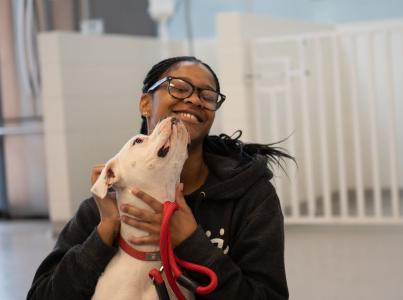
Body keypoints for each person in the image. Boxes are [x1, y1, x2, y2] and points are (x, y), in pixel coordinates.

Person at [28, 56, 292, 300]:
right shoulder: (107, 203)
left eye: (207, 95)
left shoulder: (250, 196)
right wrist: (105, 231)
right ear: (145, 103)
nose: (195, 100)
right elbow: (42, 295)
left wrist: (191, 242)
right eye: (178, 87)